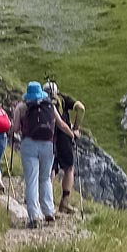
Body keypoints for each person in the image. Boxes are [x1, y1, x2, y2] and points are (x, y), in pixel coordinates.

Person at [12, 81, 76, 229]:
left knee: (32, 179)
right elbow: (61, 124)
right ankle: (49, 211)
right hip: (48, 145)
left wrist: (10, 129)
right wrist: (72, 134)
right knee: (46, 178)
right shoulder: (50, 105)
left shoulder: (21, 107)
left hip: (29, 144)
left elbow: (15, 128)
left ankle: (34, 216)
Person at [44, 81, 85, 214]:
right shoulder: (62, 98)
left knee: (51, 169)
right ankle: (64, 202)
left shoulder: (40, 100)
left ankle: (46, 201)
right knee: (69, 168)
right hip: (64, 136)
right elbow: (81, 108)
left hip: (47, 136)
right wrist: (76, 129)